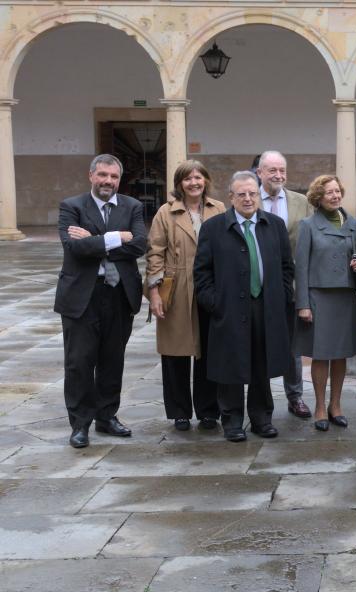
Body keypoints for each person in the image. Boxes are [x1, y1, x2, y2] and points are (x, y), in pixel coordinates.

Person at [193, 171, 294, 442]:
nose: (248, 199)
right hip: (228, 308)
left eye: (252, 193)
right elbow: (202, 273)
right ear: (231, 198)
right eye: (242, 194)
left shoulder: (274, 225)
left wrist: (282, 296)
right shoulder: (213, 228)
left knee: (262, 362)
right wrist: (215, 303)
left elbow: (286, 267)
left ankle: (262, 419)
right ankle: (233, 421)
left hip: (265, 306)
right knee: (231, 365)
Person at [56, 154, 147, 449]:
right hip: (82, 296)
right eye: (103, 175)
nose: (108, 181)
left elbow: (139, 245)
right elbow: (73, 247)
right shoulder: (72, 206)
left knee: (112, 360)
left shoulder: (132, 206)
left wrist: (94, 240)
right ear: (91, 175)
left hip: (118, 295)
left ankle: (107, 417)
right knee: (79, 362)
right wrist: (115, 237)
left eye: (114, 177)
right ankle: (80, 424)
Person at [146, 160, 225, 432]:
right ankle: (179, 412)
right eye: (187, 178)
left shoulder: (219, 209)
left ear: (206, 180)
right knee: (175, 352)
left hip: (211, 286)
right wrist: (155, 292)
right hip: (176, 287)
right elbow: (155, 253)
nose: (194, 183)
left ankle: (208, 411)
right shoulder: (165, 213)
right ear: (179, 183)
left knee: (210, 351)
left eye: (198, 177)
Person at [295, 174, 356, 431]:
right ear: (318, 197)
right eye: (329, 193)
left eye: (338, 191)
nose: (335, 196)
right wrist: (302, 304)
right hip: (318, 297)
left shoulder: (355, 225)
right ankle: (320, 407)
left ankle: (336, 405)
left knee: (340, 354)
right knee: (321, 354)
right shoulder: (308, 225)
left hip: (345, 297)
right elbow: (300, 267)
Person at [256, 150, 315, 420]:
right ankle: (260, 399)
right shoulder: (248, 197)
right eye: (272, 171)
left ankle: (295, 396)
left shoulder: (301, 202)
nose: (278, 175)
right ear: (259, 173)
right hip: (255, 283)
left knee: (292, 343)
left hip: (289, 282)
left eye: (282, 170)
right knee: (258, 342)